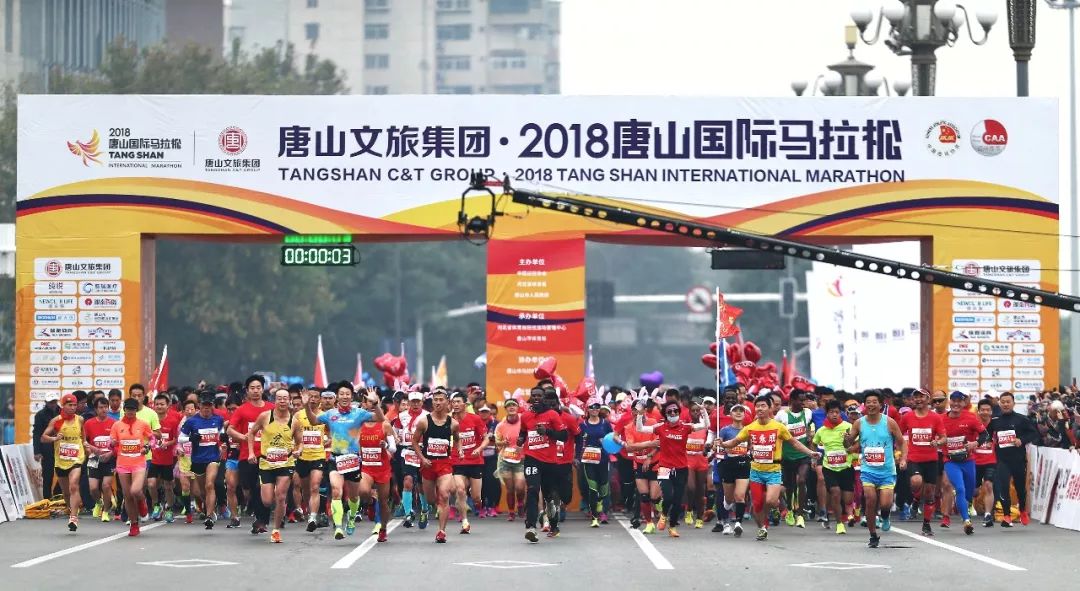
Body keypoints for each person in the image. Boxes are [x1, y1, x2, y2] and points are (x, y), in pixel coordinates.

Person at [719, 394, 821, 541]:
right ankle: (762, 528)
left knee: (771, 501)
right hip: (756, 471)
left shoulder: (778, 427)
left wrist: (811, 453)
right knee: (757, 504)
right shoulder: (750, 427)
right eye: (757, 406)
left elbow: (794, 443)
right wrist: (722, 444)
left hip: (773, 470)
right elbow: (734, 442)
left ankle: (767, 515)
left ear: (770, 408)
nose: (759, 409)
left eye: (763, 406)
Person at [306, 382, 381, 540]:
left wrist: (375, 404)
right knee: (336, 491)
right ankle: (338, 526)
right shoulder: (330, 414)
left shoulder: (359, 413)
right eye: (342, 394)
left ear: (351, 396)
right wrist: (307, 406)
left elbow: (380, 418)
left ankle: (351, 517)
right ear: (337, 397)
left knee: (353, 497)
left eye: (347, 394)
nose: (345, 396)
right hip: (335, 459)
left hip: (353, 460)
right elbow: (313, 421)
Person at [631, 399, 708, 538]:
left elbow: (705, 425)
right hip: (665, 467)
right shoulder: (660, 427)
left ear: (679, 412)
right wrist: (640, 414)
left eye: (675, 411)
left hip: (681, 468)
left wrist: (703, 410)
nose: (673, 413)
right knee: (668, 496)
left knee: (677, 500)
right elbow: (640, 429)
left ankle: (672, 526)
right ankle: (664, 515)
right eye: (670, 411)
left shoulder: (685, 427)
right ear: (665, 414)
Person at [844, 390, 906, 548]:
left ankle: (885, 516)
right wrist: (846, 439)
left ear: (881, 405)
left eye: (874, 402)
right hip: (868, 470)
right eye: (868, 402)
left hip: (887, 471)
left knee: (885, 504)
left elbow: (901, 442)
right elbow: (849, 443)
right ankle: (873, 535)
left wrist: (903, 458)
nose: (871, 405)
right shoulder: (859, 423)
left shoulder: (889, 422)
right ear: (864, 405)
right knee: (870, 500)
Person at [518, 386, 570, 543]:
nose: (536, 398)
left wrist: (547, 432)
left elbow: (564, 436)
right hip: (531, 459)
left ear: (544, 398)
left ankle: (553, 524)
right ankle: (531, 527)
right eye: (533, 395)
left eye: (539, 395)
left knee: (549, 496)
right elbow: (523, 432)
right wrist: (521, 439)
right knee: (532, 490)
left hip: (549, 462)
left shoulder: (552, 414)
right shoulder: (525, 416)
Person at [411, 387, 460, 543]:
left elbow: (457, 439)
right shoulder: (424, 421)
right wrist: (422, 458)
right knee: (432, 499)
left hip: (444, 464)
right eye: (435, 400)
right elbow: (414, 441)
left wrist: (458, 451)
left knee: (444, 495)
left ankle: (441, 532)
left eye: (441, 400)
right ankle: (429, 508)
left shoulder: (453, 424)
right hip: (428, 464)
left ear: (447, 402)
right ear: (432, 402)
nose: (438, 403)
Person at [249, 388, 297, 544]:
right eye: (279, 398)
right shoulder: (265, 416)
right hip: (266, 463)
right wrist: (251, 452)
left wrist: (299, 450)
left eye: (285, 398)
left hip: (286, 462)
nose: (282, 401)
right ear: (274, 400)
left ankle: (276, 530)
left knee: (281, 496)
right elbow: (251, 433)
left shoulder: (294, 421)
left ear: (289, 400)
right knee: (267, 501)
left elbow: (300, 442)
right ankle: (278, 508)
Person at [226, 375, 271, 533]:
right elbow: (230, 430)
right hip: (247, 455)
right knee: (250, 488)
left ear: (263, 389)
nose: (255, 391)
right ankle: (258, 516)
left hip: (268, 455)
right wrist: (243, 437)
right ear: (247, 390)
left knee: (263, 486)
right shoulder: (242, 410)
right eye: (252, 388)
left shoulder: (271, 408)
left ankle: (262, 520)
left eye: (258, 387)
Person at [899, 388, 946, 537]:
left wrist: (937, 442)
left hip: (931, 460)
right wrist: (902, 456)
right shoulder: (907, 417)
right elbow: (898, 436)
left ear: (928, 399)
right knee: (916, 481)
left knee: (930, 493)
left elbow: (944, 437)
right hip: (914, 458)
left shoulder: (935, 417)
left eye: (922, 397)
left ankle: (926, 524)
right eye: (916, 397)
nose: (918, 399)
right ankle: (916, 498)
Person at [989, 392, 1039, 527]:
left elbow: (1034, 433)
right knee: (1003, 486)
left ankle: (1022, 510)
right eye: (1003, 402)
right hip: (1002, 460)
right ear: (999, 403)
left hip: (1018, 459)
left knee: (1020, 488)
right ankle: (1007, 515)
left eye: (1008, 402)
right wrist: (986, 441)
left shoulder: (1021, 419)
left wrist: (1021, 440)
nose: (1005, 404)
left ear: (1013, 403)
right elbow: (987, 434)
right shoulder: (995, 420)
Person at [941, 391, 986, 536]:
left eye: (959, 401)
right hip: (951, 461)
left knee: (970, 492)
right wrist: (936, 441)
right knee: (960, 488)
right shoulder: (941, 419)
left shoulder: (971, 417)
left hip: (968, 461)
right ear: (949, 402)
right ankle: (966, 521)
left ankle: (963, 505)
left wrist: (975, 443)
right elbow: (933, 433)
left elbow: (985, 434)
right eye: (953, 401)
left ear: (964, 403)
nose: (956, 404)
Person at [180, 391, 226, 529]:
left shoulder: (218, 419)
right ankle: (210, 506)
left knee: (209, 485)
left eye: (209, 406)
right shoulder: (191, 421)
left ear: (212, 406)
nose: (206, 408)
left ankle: (209, 516)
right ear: (199, 405)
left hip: (213, 458)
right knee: (200, 492)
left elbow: (221, 434)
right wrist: (191, 438)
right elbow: (180, 438)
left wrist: (223, 440)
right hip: (197, 459)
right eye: (204, 406)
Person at [40, 393, 86, 532]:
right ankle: (71, 509)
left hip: (76, 458)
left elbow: (83, 438)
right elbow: (43, 437)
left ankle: (73, 517)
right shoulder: (56, 421)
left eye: (74, 405)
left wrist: (87, 446)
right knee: (66, 493)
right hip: (61, 460)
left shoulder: (80, 420)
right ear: (63, 405)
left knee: (74, 486)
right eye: (69, 405)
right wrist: (54, 439)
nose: (73, 407)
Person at [110, 398, 154, 536]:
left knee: (135, 490)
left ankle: (142, 501)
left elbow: (152, 439)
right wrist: (112, 444)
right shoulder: (117, 425)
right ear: (124, 410)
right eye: (128, 409)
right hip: (123, 463)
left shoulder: (143, 424)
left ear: (136, 410)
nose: (130, 412)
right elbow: (111, 444)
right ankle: (134, 524)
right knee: (127, 495)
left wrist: (147, 447)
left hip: (138, 462)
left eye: (133, 409)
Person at [617, 396, 660, 533]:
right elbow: (630, 447)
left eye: (640, 410)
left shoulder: (653, 423)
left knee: (654, 497)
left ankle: (659, 505)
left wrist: (649, 456)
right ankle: (649, 523)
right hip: (639, 464)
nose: (637, 413)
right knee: (644, 496)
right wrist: (649, 444)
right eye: (634, 410)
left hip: (654, 462)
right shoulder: (629, 427)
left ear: (645, 411)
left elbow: (658, 444)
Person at [357, 394, 396, 543]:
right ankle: (370, 503)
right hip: (367, 467)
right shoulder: (358, 424)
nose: (372, 405)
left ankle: (383, 529)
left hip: (382, 468)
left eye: (375, 402)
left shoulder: (385, 424)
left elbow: (393, 448)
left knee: (384, 502)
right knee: (363, 491)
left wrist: (385, 445)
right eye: (369, 402)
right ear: (364, 404)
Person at [812, 399, 854, 535]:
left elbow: (856, 443)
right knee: (835, 493)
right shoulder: (821, 430)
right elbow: (814, 443)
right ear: (827, 414)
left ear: (840, 413)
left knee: (847, 499)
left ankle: (845, 511)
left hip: (846, 467)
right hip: (829, 468)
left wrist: (850, 445)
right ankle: (839, 523)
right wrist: (814, 457)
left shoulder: (848, 426)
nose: (834, 415)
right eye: (831, 412)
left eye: (836, 412)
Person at [451, 391, 489, 534]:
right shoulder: (449, 421)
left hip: (475, 461)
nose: (455, 404)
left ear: (465, 404)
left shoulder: (475, 419)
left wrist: (479, 449)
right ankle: (465, 522)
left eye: (458, 402)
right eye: (453, 402)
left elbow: (486, 438)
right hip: (458, 460)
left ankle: (476, 501)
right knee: (460, 490)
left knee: (476, 497)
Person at [776, 389, 815, 528]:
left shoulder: (808, 413)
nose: (804, 403)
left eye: (805, 400)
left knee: (802, 480)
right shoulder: (782, 415)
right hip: (787, 456)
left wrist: (811, 448)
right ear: (792, 400)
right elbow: (774, 431)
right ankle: (790, 510)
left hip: (803, 455)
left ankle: (800, 514)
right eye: (801, 400)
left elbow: (810, 429)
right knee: (790, 486)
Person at [292, 387, 328, 532]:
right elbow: (292, 433)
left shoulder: (324, 416)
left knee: (315, 487)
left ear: (320, 400)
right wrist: (295, 448)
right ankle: (310, 511)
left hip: (318, 456)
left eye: (315, 396)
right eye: (310, 396)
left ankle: (313, 517)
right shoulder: (298, 415)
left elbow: (332, 433)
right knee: (306, 489)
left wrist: (328, 441)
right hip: (302, 457)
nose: (312, 399)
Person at [394, 391, 429, 529]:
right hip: (407, 451)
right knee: (407, 481)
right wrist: (396, 438)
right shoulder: (401, 416)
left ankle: (424, 510)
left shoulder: (427, 416)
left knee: (421, 485)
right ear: (408, 403)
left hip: (422, 452)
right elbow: (394, 430)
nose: (415, 404)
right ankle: (408, 513)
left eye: (417, 401)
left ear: (422, 402)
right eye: (412, 401)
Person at [714, 403, 750, 536]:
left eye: (741, 411)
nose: (739, 413)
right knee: (728, 499)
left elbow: (750, 447)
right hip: (728, 465)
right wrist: (717, 446)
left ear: (745, 414)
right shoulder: (725, 430)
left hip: (743, 464)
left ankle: (738, 524)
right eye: (735, 410)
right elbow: (716, 447)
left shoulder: (748, 430)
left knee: (740, 496)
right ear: (730, 414)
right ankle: (726, 521)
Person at [578, 397, 613, 527]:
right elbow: (578, 442)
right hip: (588, 460)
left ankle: (603, 511)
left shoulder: (605, 424)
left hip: (603, 460)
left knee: (604, 487)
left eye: (597, 406)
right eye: (592, 407)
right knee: (592, 488)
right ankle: (594, 517)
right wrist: (577, 457)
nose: (595, 409)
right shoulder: (582, 425)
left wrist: (605, 442)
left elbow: (612, 439)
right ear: (587, 409)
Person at [83, 396, 117, 523]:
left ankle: (106, 511)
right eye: (101, 407)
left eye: (105, 407)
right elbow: (84, 441)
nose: (104, 410)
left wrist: (111, 454)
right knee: (93, 488)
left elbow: (118, 443)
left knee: (106, 486)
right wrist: (92, 450)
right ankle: (99, 502)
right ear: (96, 410)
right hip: (94, 459)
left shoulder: (114, 423)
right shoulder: (88, 423)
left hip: (109, 459)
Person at [148, 393, 180, 523]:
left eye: (162, 404)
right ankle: (157, 506)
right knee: (151, 484)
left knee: (168, 486)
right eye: (157, 404)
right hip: (154, 459)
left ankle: (169, 508)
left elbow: (176, 439)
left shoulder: (173, 421)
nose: (159, 406)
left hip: (168, 460)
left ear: (168, 406)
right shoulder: (150, 421)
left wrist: (167, 444)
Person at [495, 398, 526, 521]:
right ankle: (511, 512)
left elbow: (531, 436)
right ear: (505, 409)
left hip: (521, 459)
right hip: (506, 460)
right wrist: (503, 442)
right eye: (509, 406)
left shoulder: (524, 422)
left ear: (518, 407)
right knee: (510, 488)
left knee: (520, 487)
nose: (511, 407)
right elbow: (497, 442)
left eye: (514, 405)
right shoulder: (501, 425)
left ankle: (520, 503)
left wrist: (523, 446)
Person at [974, 399, 998, 527]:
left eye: (988, 410)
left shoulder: (996, 426)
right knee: (974, 491)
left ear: (991, 412)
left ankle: (988, 514)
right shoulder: (974, 425)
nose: (985, 412)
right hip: (974, 462)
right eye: (982, 410)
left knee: (988, 485)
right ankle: (971, 504)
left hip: (991, 461)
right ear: (978, 411)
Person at [32, 396, 61, 499]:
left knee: (64, 474)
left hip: (62, 448)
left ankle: (58, 494)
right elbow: (37, 433)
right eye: (50, 402)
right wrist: (37, 451)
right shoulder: (40, 415)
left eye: (54, 401)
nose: (52, 404)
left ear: (57, 401)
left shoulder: (63, 412)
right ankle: (47, 498)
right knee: (48, 475)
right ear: (46, 402)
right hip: (47, 449)